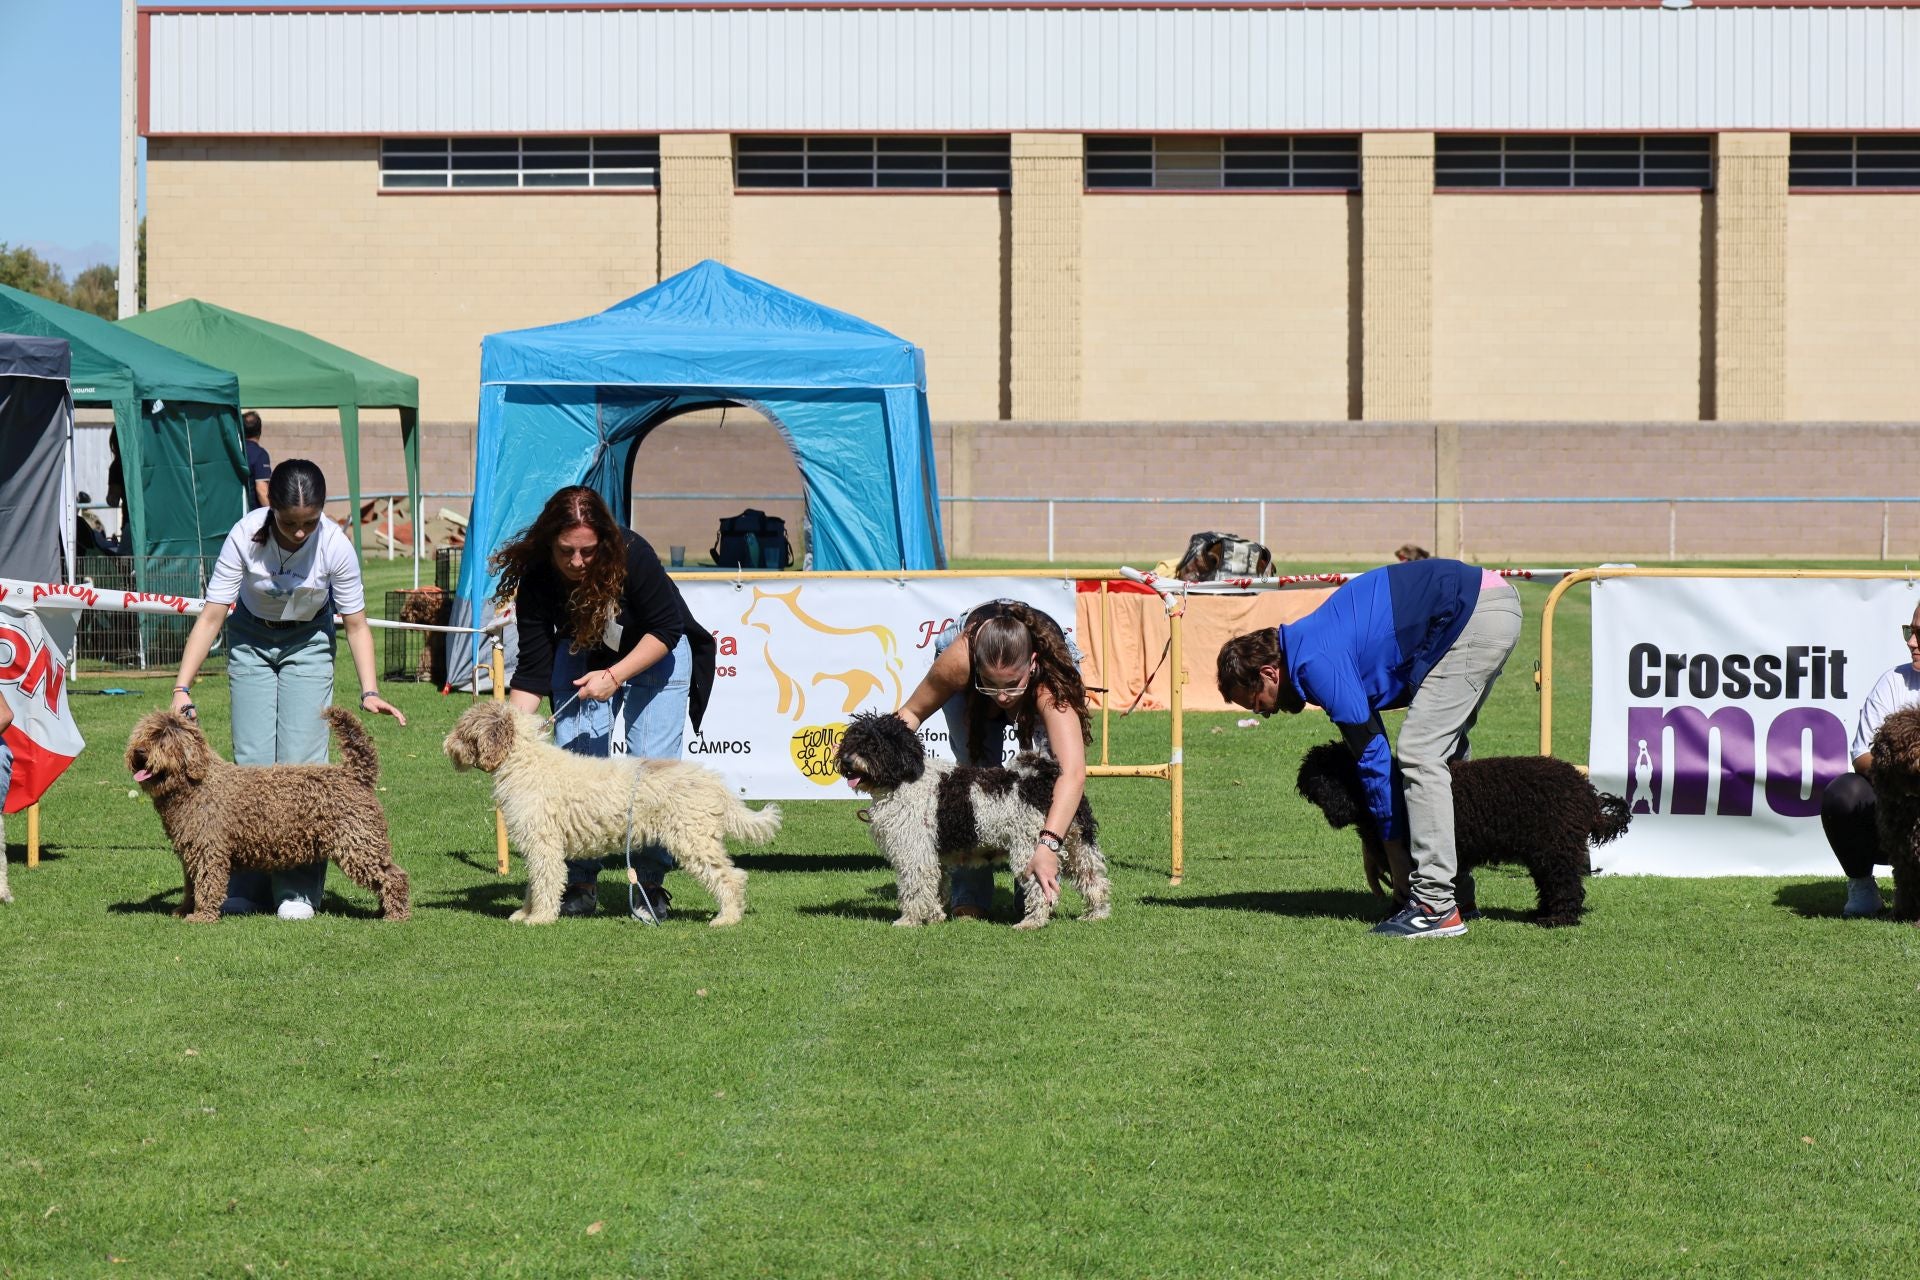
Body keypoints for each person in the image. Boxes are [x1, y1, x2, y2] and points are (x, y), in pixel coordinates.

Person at [1216, 557, 1523, 939]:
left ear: (1268, 673)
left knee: (1421, 753)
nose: (1263, 713)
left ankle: (1435, 906)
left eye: (1256, 702)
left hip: (1471, 614)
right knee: (1444, 757)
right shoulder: (1310, 643)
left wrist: (1393, 853)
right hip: (1485, 606)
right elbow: (1371, 748)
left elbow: (1372, 756)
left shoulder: (1314, 661)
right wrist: (1377, 842)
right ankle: (1457, 896)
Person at [169, 459, 408, 919]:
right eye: (289, 523)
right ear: (270, 508)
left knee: (304, 769)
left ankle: (297, 891)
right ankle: (247, 887)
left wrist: (369, 690)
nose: (300, 533)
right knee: (251, 766)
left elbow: (356, 625)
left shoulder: (335, 546)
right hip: (251, 640)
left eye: (309, 523)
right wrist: (183, 686)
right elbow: (212, 616)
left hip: (308, 642)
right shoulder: (244, 536)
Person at [497, 486, 716, 921]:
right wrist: (506, 736)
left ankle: (649, 886)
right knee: (575, 767)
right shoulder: (538, 575)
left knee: (650, 773)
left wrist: (614, 677)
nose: (577, 562)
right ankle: (579, 884)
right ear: (549, 543)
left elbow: (666, 629)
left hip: (657, 649)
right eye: (566, 551)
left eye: (588, 551)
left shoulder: (633, 554)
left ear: (606, 541)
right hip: (583, 649)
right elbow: (534, 670)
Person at [894, 599, 1090, 919]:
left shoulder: (1050, 685)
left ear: (1032, 664)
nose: (1001, 697)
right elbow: (911, 714)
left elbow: (1072, 774)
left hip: (1044, 673)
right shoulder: (959, 661)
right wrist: (866, 754)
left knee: (1041, 782)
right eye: (991, 684)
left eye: (1012, 685)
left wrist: (1049, 845)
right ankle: (970, 895)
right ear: (977, 669)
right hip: (969, 668)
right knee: (973, 776)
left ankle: (1032, 889)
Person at [1819, 601, 1920, 918]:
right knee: (1844, 794)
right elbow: (1862, 755)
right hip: (1899, 805)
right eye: (1910, 631)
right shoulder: (1894, 682)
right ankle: (1863, 887)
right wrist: (1906, 778)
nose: (1911, 642)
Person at [242, 411, 272, 510]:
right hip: (251, 513)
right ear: (260, 430)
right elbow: (262, 490)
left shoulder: (233, 452)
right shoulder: (260, 455)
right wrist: (272, 514)